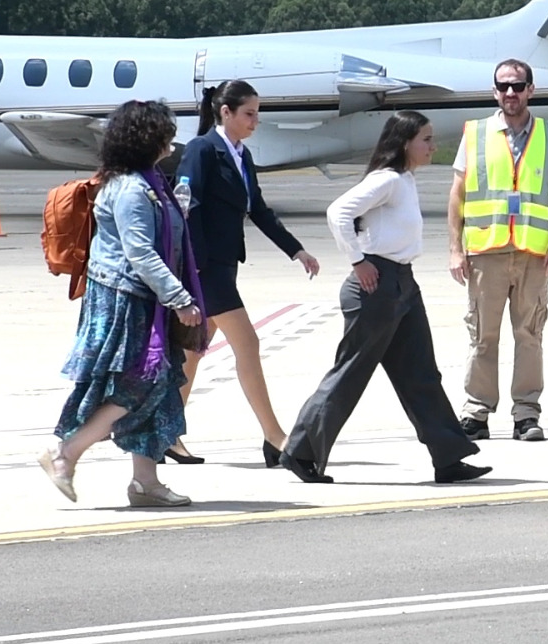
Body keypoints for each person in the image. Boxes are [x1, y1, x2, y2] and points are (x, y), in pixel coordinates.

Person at [279, 112, 490, 484]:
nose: (432, 146)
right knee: (351, 372)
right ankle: (300, 452)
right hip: (376, 286)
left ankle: (449, 457)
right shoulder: (387, 180)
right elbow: (338, 212)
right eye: (425, 139)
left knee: (421, 373)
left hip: (402, 283)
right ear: (405, 142)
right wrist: (358, 260)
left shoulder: (405, 180)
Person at [39, 100, 207, 508]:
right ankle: (66, 452)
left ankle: (145, 483)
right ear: (146, 140)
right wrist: (180, 298)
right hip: (127, 302)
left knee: (158, 387)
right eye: (164, 136)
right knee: (138, 381)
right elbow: (141, 254)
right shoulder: (132, 189)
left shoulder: (151, 182)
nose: (171, 142)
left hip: (146, 300)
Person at [178, 80, 320, 467]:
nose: (256, 121)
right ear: (226, 112)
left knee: (192, 350)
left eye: (257, 113)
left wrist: (296, 250)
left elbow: (258, 210)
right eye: (249, 114)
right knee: (249, 344)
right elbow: (186, 209)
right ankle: (275, 437)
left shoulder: (242, 156)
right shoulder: (201, 150)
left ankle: (164, 434)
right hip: (206, 269)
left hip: (225, 265)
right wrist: (197, 266)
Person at [448, 58, 548, 443]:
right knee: (483, 334)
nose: (510, 94)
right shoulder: (476, 133)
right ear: (494, 91)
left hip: (532, 251)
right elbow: (458, 193)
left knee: (529, 334)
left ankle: (526, 414)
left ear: (531, 89)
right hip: (487, 250)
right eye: (503, 87)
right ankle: (477, 412)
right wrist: (455, 248)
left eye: (518, 86)